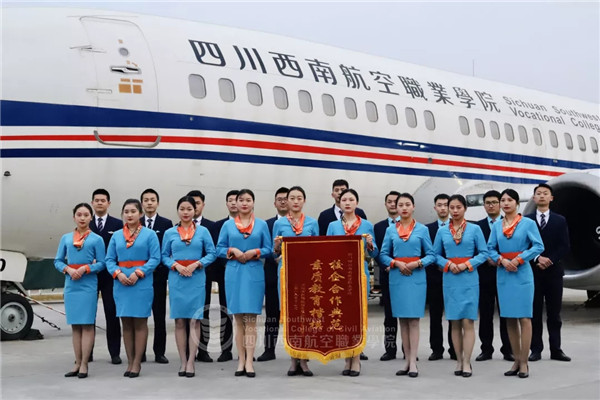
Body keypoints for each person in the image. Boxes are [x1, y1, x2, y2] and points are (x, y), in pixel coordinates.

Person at [487, 189, 544, 378]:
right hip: (504, 273)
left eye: (509, 200)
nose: (505, 203)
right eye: (502, 200)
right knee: (509, 318)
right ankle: (516, 360)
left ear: (517, 203)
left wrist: (519, 259)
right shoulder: (497, 226)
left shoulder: (528, 223)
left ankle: (524, 362)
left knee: (524, 318)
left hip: (522, 273)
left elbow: (538, 246)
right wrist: (502, 260)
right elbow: (490, 248)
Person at [216, 189, 272, 378]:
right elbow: (219, 248)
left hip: (254, 271)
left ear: (253, 203)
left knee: (251, 320)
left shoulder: (261, 224)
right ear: (236, 203)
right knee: (238, 319)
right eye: (241, 200)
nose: (244, 203)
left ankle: (249, 361)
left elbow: (269, 248)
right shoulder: (228, 225)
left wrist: (255, 252)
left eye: (248, 200)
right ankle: (240, 360)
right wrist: (232, 250)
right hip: (234, 272)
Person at [379, 193, 436, 378]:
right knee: (402, 320)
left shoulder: (422, 229)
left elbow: (431, 255)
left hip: (415, 276)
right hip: (398, 277)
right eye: (400, 205)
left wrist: (417, 263)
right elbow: (383, 254)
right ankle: (406, 361)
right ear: (396, 208)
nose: (404, 208)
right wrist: (395, 263)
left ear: (413, 207)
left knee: (413, 321)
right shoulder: (391, 230)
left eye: (407, 204)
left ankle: (413, 361)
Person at [433, 195, 488, 378]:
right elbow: (435, 254)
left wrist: (467, 264)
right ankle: (458, 360)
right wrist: (448, 264)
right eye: (452, 207)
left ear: (465, 208)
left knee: (468, 321)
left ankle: (467, 361)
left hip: (469, 277)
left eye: (458, 207)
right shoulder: (442, 231)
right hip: (450, 278)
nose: (455, 211)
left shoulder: (475, 229)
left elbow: (484, 253)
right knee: (454, 321)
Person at [161, 196, 217, 377]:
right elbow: (164, 255)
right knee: (179, 321)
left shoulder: (203, 231)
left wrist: (198, 264)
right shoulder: (170, 232)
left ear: (195, 211)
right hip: (177, 278)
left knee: (195, 320)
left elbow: (212, 253)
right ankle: (183, 361)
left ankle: (192, 361)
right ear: (178, 211)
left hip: (196, 277)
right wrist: (175, 265)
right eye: (182, 209)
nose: (185, 212)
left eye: (189, 209)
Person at [105, 199, 161, 378]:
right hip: (121, 283)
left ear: (140, 214)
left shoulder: (149, 235)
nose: (129, 215)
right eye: (126, 212)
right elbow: (109, 259)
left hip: (141, 282)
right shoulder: (116, 236)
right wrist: (118, 273)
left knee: (140, 323)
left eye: (133, 211)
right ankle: (129, 361)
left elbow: (155, 258)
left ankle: (137, 362)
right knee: (126, 324)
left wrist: (139, 272)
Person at [326, 188, 378, 377]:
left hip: (358, 273)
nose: (347, 203)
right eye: (344, 200)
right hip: (338, 276)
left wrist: (370, 244)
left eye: (351, 199)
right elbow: (326, 250)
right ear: (339, 203)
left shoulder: (366, 225)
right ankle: (346, 357)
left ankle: (356, 358)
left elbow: (374, 253)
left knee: (357, 317)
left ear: (357, 202)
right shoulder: (333, 226)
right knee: (342, 318)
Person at [54, 203, 106, 379]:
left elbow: (102, 262)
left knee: (87, 324)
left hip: (88, 283)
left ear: (91, 217)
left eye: (86, 215)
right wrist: (67, 269)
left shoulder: (96, 239)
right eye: (79, 215)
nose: (82, 218)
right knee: (75, 325)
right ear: (74, 217)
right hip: (71, 284)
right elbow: (58, 260)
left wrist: (86, 268)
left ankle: (85, 363)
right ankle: (77, 362)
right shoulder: (66, 238)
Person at [272, 186, 319, 376]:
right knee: (290, 316)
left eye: (299, 198)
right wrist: (276, 247)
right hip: (287, 272)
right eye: (292, 198)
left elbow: (318, 248)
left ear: (304, 201)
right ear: (287, 201)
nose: (296, 201)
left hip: (308, 273)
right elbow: (273, 252)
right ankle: (293, 359)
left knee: (306, 317)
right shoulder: (280, 223)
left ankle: (305, 360)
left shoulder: (312, 223)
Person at [525, 184, 571, 362]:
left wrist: (549, 260)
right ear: (534, 198)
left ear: (551, 198)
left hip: (554, 273)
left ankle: (556, 349)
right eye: (539, 194)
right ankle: (535, 349)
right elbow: (524, 245)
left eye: (545, 193)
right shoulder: (526, 220)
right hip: (534, 272)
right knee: (535, 312)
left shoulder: (560, 220)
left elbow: (564, 245)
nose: (542, 196)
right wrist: (537, 258)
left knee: (554, 314)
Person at [197, 190, 237, 363]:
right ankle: (202, 350)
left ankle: (226, 350)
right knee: (204, 310)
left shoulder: (252, 224)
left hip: (233, 272)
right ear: (226, 203)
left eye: (236, 200)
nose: (234, 203)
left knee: (228, 311)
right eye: (230, 200)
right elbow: (214, 248)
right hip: (211, 270)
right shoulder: (217, 225)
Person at [475, 190, 513, 362]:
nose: (491, 205)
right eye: (487, 203)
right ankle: (486, 349)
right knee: (485, 314)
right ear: (484, 205)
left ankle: (508, 349)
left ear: (500, 204)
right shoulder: (477, 226)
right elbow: (474, 249)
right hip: (485, 275)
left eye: (494, 202)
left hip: (505, 273)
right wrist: (487, 259)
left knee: (506, 314)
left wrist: (499, 259)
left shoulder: (510, 223)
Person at [140, 188, 173, 364]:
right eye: (146, 200)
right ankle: (140, 351)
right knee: (140, 316)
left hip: (158, 276)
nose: (149, 203)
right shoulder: (136, 223)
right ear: (142, 203)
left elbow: (167, 249)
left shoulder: (166, 223)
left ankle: (159, 352)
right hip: (139, 277)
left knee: (159, 316)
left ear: (157, 203)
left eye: (152, 200)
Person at [90, 188, 122, 364]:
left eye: (103, 200)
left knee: (112, 314)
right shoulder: (86, 223)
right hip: (90, 276)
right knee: (89, 314)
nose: (100, 203)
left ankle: (114, 353)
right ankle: (88, 352)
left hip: (110, 276)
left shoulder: (117, 225)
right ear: (92, 203)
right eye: (97, 200)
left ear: (109, 203)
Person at [257, 187, 289, 362]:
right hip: (272, 274)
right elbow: (264, 247)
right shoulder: (267, 224)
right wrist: (275, 256)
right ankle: (269, 349)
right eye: (279, 199)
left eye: (286, 199)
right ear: (274, 203)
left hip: (294, 275)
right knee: (271, 314)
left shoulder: (300, 223)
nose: (283, 202)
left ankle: (300, 351)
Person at [425, 194, 456, 361]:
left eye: (446, 205)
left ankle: (454, 348)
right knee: (435, 315)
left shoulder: (458, 227)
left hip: (454, 275)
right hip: (434, 277)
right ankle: (436, 349)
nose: (443, 208)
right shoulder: (427, 229)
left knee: (453, 315)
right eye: (440, 205)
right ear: (435, 208)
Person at [374, 191, 401, 361]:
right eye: (389, 201)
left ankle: (408, 350)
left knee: (407, 316)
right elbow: (376, 252)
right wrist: (387, 266)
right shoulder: (378, 227)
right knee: (389, 316)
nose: (392, 204)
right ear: (385, 204)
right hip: (387, 275)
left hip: (406, 274)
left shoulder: (412, 226)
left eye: (395, 202)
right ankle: (390, 350)